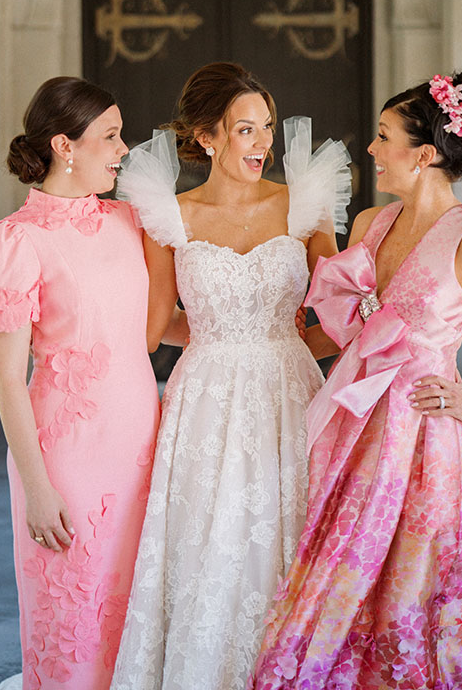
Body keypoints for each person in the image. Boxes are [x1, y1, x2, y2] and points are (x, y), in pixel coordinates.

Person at [250, 72, 462, 689]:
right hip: (355, 433)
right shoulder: (373, 223)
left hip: (429, 449)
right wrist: (254, 346)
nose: (370, 149)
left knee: (418, 603)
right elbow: (351, 333)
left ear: (424, 154)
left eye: (382, 137)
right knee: (338, 590)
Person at [110, 62, 352, 690]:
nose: (264, 144)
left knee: (290, 533)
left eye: (267, 128)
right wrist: (218, 336)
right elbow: (156, 322)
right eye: (246, 130)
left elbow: (341, 314)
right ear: (207, 136)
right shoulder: (170, 215)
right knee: (209, 545)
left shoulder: (304, 204)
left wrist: (289, 342)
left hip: (291, 391)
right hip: (205, 399)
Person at [0, 77, 166, 690]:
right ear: (65, 145)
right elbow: (7, 377)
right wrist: (36, 485)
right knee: (74, 620)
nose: (123, 148)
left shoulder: (133, 221)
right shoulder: (12, 241)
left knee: (137, 611)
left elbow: (155, 327)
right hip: (68, 457)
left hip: (142, 443)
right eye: (109, 136)